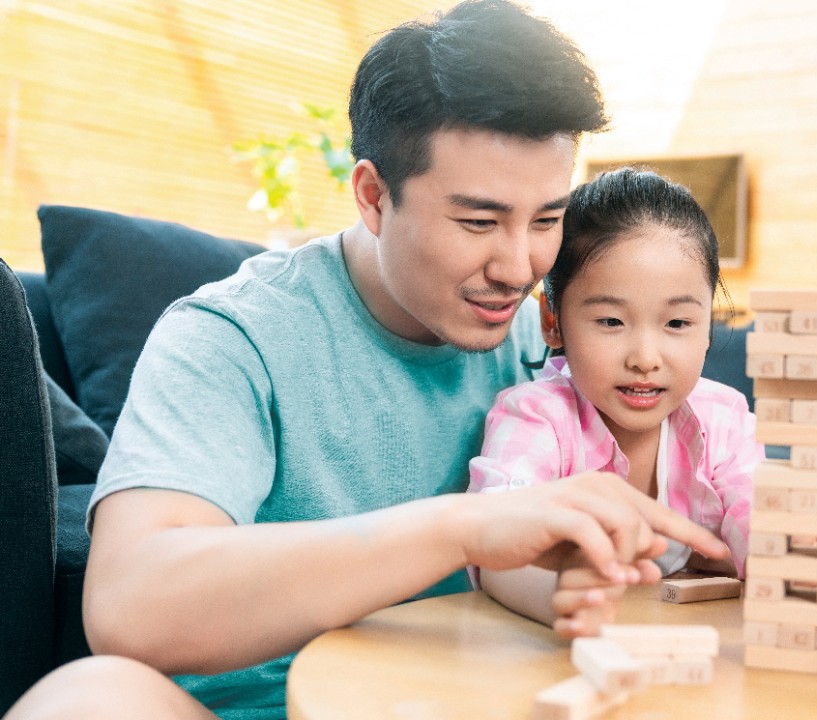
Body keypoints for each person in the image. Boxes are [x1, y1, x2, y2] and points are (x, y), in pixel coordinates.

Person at [3, 3, 730, 719]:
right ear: (374, 196)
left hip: (501, 701)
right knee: (87, 701)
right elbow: (132, 604)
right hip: (274, 708)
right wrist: (463, 528)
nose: (519, 265)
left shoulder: (555, 330)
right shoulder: (230, 338)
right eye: (479, 221)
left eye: (545, 219)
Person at [466, 168, 764, 636]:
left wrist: (788, 559)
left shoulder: (724, 417)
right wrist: (562, 594)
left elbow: (758, 519)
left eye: (678, 323)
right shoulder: (535, 416)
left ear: (709, 322)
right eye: (610, 321)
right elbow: (499, 544)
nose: (645, 359)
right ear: (553, 322)